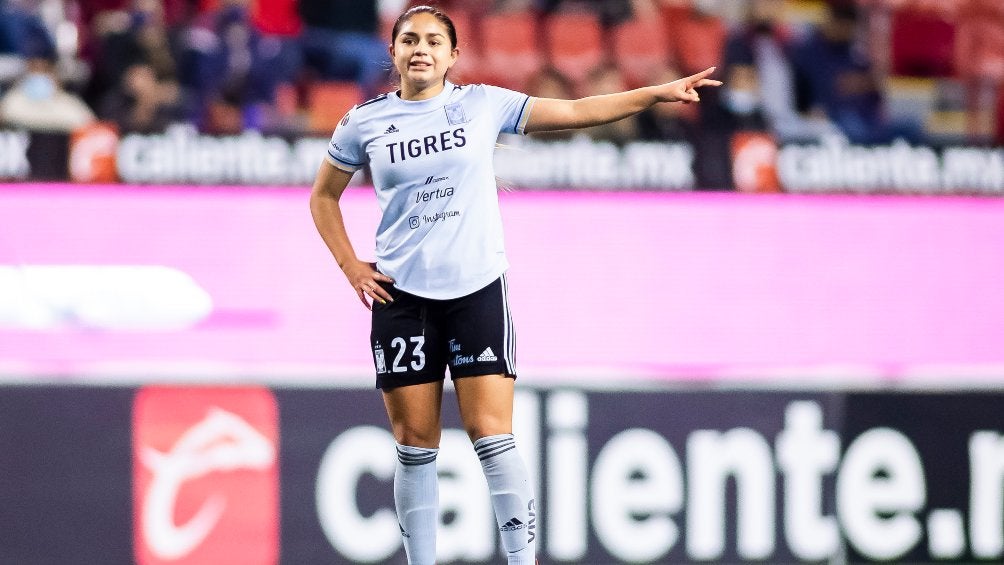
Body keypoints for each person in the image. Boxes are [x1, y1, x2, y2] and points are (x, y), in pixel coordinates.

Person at [308, 5, 720, 564]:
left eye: (434, 40)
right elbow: (323, 196)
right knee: (413, 446)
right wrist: (351, 266)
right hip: (401, 298)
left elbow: (576, 110)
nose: (421, 48)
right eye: (410, 39)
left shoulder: (482, 103)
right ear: (394, 52)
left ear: (454, 55)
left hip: (475, 290)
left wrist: (653, 93)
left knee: (490, 433)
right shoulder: (364, 121)